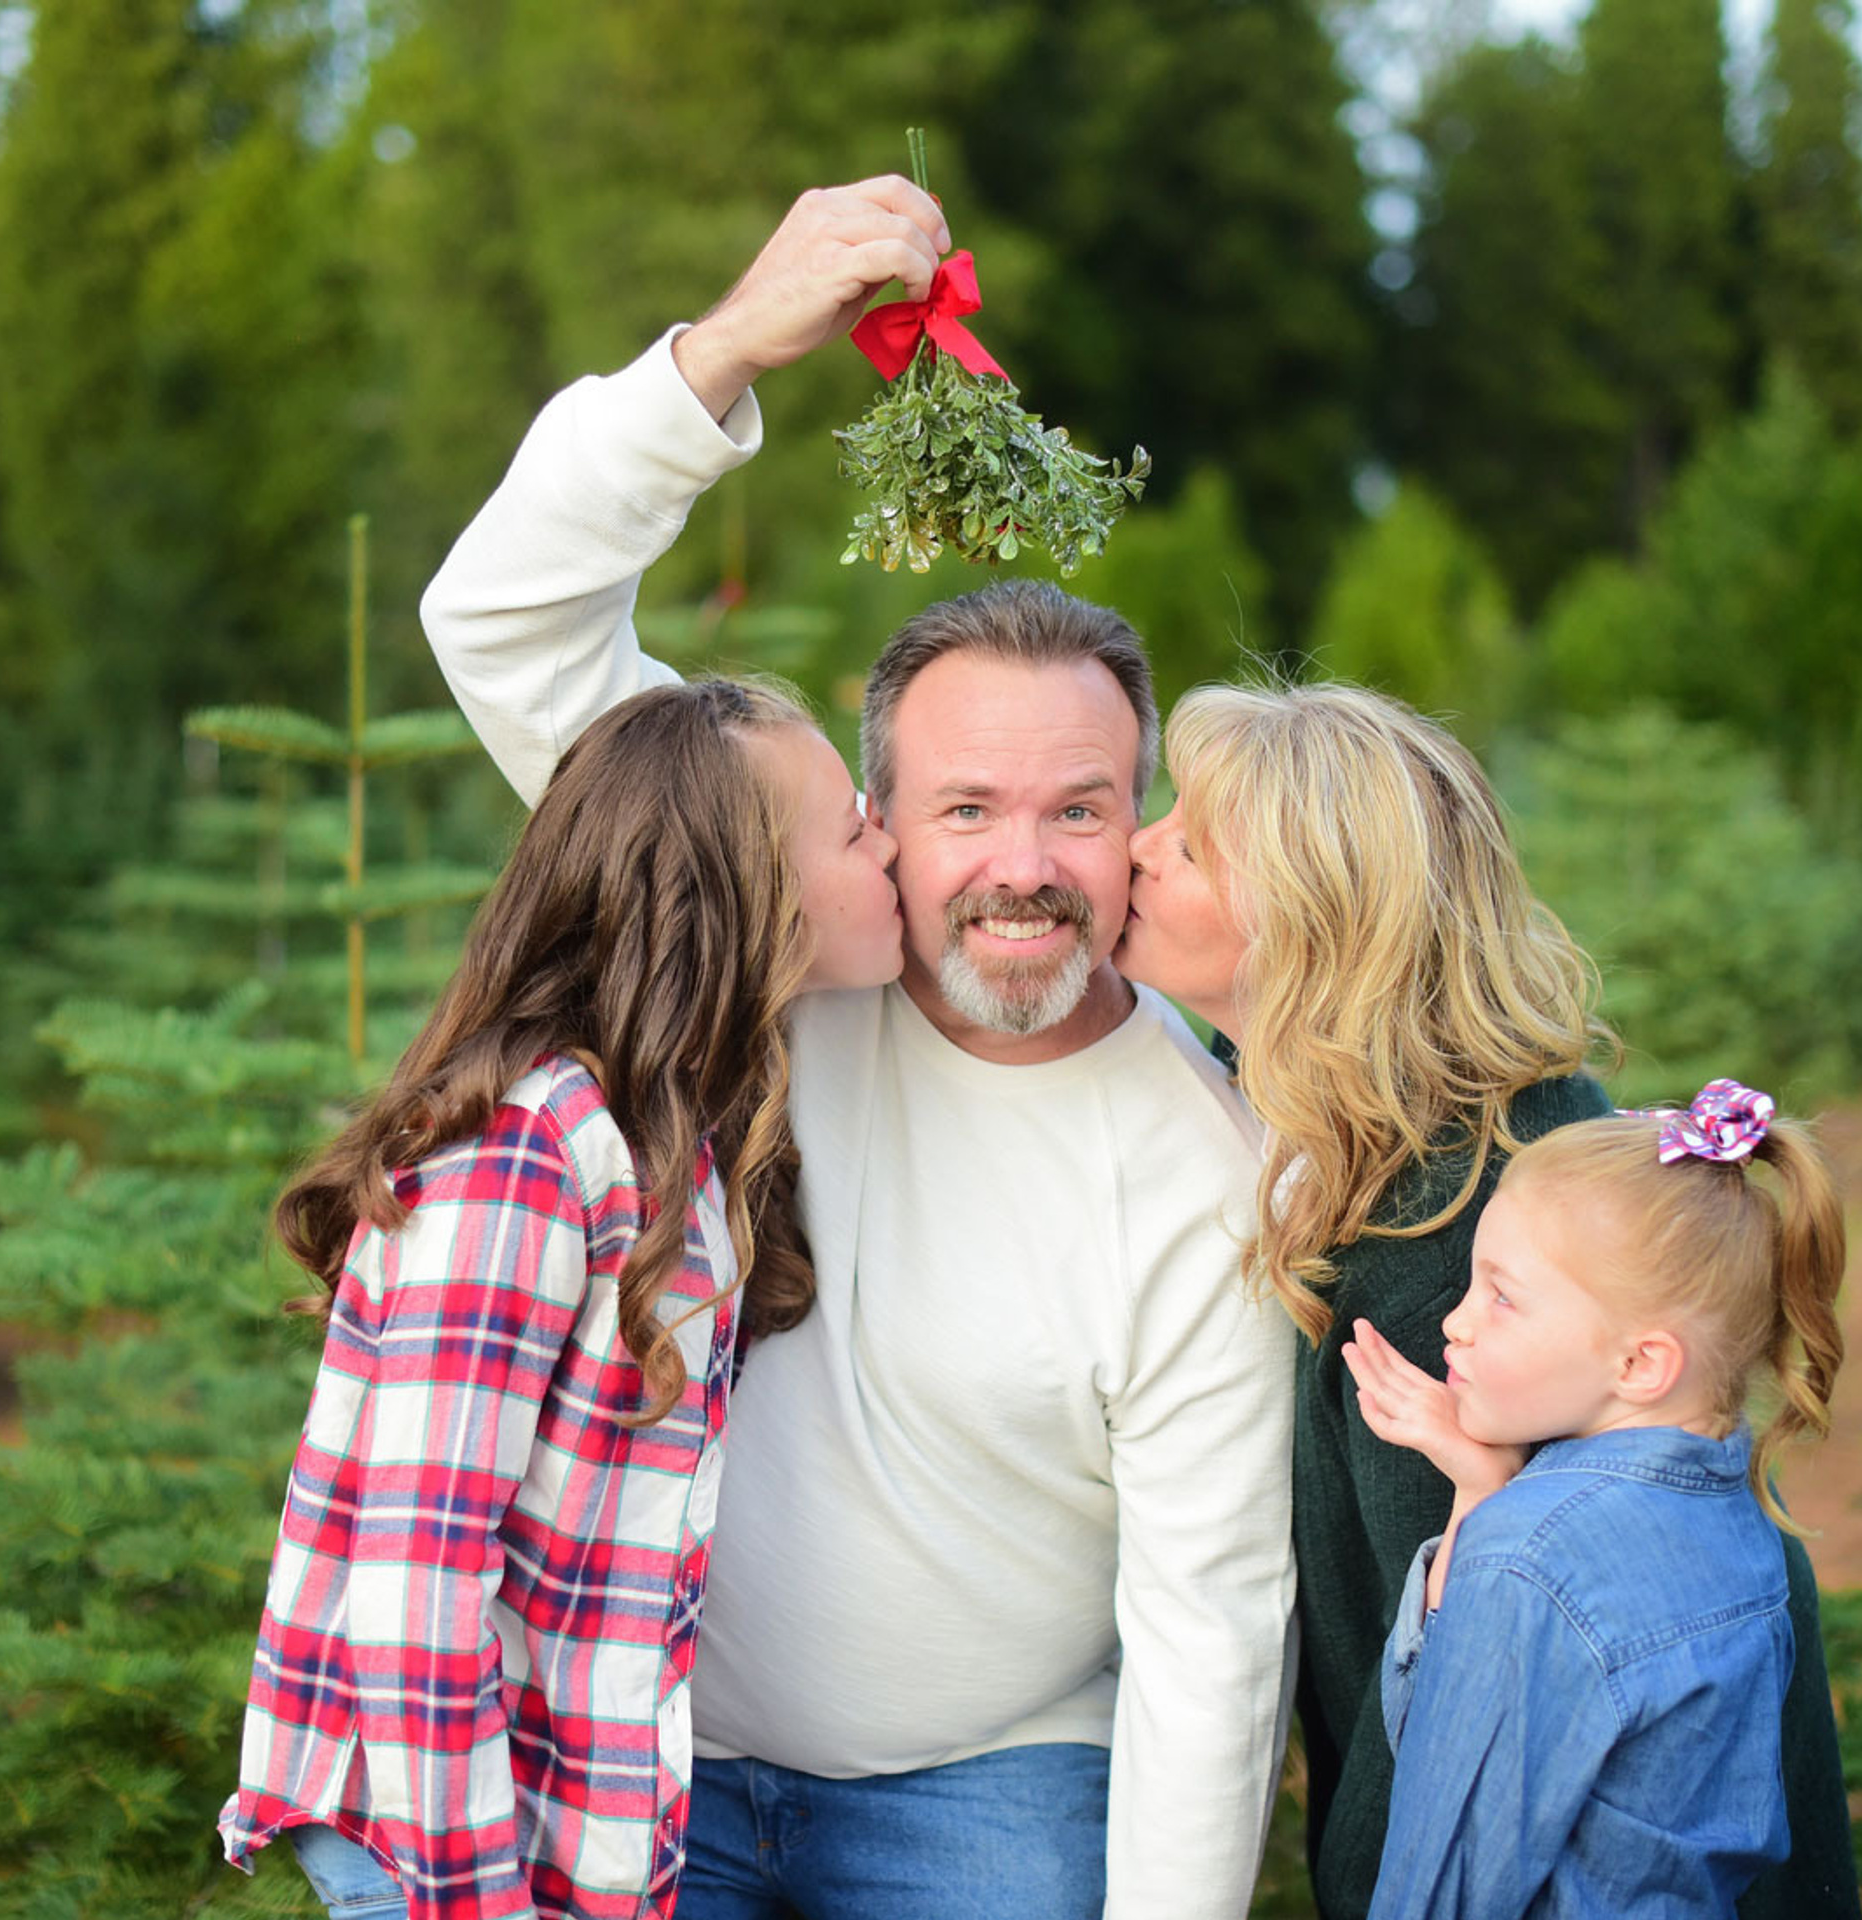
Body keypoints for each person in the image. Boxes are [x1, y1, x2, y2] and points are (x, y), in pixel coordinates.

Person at [419, 178, 1296, 1920]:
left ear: (1142, 824)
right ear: (867, 826)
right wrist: (728, 349)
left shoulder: (1202, 1163)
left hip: (991, 1790)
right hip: (641, 1748)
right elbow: (502, 624)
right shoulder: (777, 952)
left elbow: (1212, 1631)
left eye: (1080, 808)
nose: (1025, 866)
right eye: (966, 806)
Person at [1118, 681, 1858, 1918]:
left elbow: (1469, 1687)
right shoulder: (1355, 1119)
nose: (1136, 846)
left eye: (1188, 844)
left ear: (1313, 929)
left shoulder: (1460, 1240)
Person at [217, 678, 907, 1920]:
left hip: (545, 1829)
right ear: (747, 891)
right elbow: (417, 1576)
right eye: (857, 828)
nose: (893, 846)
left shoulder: (675, 1132)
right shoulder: (532, 1151)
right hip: (434, 1854)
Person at [1342, 1080, 1846, 1917]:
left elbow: (1447, 1857)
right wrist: (1483, 1486)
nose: (1457, 1324)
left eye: (1502, 1296)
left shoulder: (1530, 1561)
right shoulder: (1737, 1500)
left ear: (1641, 1366)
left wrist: (1496, 1518)